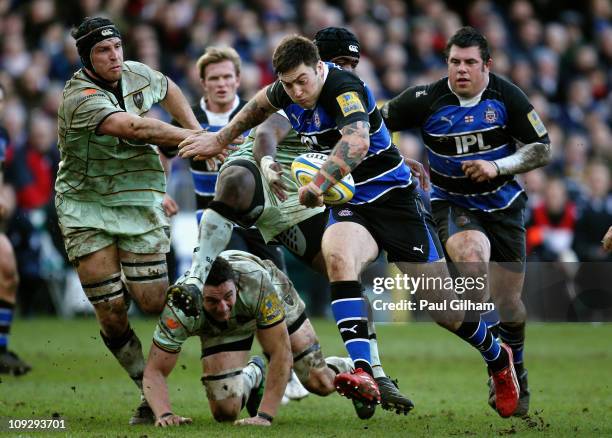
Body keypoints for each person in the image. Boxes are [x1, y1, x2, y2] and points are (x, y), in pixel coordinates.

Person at [178, 35, 521, 419]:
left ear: (320, 67)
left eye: (302, 81)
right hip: (352, 203)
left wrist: (318, 185)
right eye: (288, 84)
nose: (296, 91)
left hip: (394, 203)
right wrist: (219, 139)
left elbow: (356, 144)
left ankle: (497, 356)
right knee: (338, 255)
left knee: (443, 308)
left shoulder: (345, 87)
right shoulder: (290, 89)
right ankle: (364, 371)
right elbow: (258, 109)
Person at [166, 28, 415, 418]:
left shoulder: (347, 97)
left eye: (353, 65)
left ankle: (368, 371)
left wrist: (400, 161)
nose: (349, 74)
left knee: (342, 272)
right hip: (271, 189)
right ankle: (198, 287)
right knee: (224, 404)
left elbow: (368, 147)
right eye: (341, 64)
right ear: (321, 64)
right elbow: (265, 128)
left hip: (301, 207)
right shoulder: (300, 90)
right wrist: (262, 160)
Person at [54, 16, 229, 425]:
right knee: (111, 310)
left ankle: (223, 341)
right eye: (103, 51)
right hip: (85, 207)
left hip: (139, 201)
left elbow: (167, 87)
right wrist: (200, 139)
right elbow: (133, 128)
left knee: (153, 302)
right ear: (86, 58)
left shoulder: (135, 74)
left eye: (117, 47)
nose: (114, 56)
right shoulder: (78, 98)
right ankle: (148, 392)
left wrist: (196, 130)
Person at [381, 26, 553, 417]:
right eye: (455, 62)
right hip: (453, 203)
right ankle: (496, 365)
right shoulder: (426, 99)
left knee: (510, 304)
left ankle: (516, 370)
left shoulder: (506, 96)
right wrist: (396, 158)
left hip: (505, 206)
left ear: (487, 65)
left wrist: (497, 166)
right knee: (472, 257)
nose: (461, 70)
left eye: (470, 62)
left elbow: (541, 149)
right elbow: (373, 122)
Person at [143, 251, 353, 427]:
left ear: (235, 284)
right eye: (212, 301)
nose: (223, 307)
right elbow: (154, 369)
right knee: (225, 412)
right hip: (221, 325)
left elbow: (280, 352)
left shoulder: (256, 282)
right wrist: (164, 415)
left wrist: (264, 417)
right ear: (199, 297)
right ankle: (255, 374)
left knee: (320, 382)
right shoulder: (181, 307)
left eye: (227, 296)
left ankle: (351, 366)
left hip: (271, 296)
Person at [0, 83, 31, 376]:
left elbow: (7, 177)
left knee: (7, 271)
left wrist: (6, 197)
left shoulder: (3, 135)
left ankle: (1, 349)